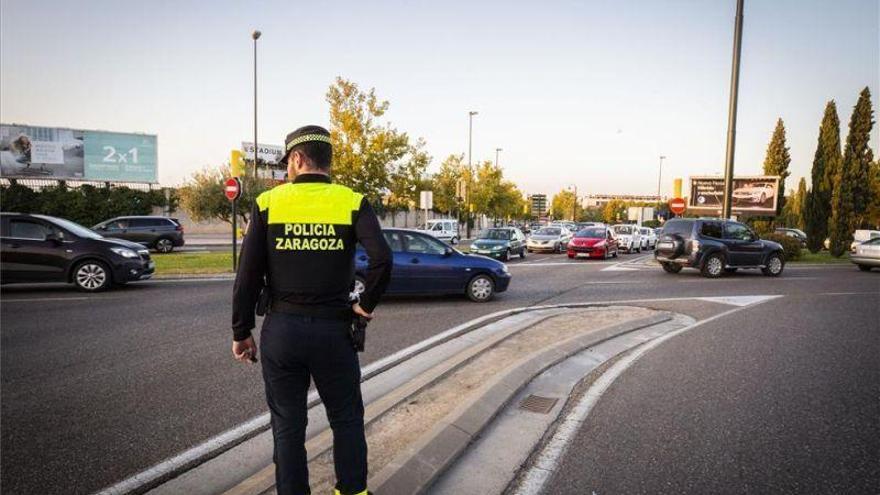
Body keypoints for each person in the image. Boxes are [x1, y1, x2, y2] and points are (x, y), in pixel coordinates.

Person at [231, 125, 392, 495]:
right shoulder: (352, 201)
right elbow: (382, 261)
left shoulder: (269, 203)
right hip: (336, 331)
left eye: (288, 162)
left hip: (282, 331)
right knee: (347, 419)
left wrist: (241, 332)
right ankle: (351, 491)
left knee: (288, 426)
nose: (287, 169)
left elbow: (248, 276)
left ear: (299, 159)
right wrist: (364, 309)